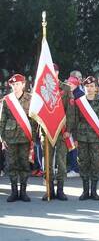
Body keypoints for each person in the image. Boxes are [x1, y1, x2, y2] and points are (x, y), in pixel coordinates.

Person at [41, 63, 75, 201]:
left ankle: (60, 190)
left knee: (61, 161)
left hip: (62, 131)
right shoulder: (42, 88)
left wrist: (69, 130)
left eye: (54, 71)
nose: (52, 73)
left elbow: (70, 111)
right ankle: (48, 190)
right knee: (47, 162)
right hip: (47, 130)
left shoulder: (66, 88)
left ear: (57, 72)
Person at [0, 74, 36, 202]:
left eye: (17, 84)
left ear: (23, 84)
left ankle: (23, 192)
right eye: (13, 85)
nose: (15, 87)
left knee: (24, 164)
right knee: (11, 164)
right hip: (10, 137)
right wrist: (2, 137)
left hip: (25, 137)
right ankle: (14, 191)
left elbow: (34, 119)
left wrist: (34, 137)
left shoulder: (30, 98)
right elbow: (2, 119)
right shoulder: (7, 100)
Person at [71, 76, 99, 200]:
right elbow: (75, 121)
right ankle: (85, 191)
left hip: (95, 138)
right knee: (83, 162)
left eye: (92, 86)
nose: (89, 89)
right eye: (87, 86)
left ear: (96, 88)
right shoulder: (79, 102)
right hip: (81, 137)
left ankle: (94, 191)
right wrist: (75, 138)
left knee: (95, 163)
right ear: (84, 87)